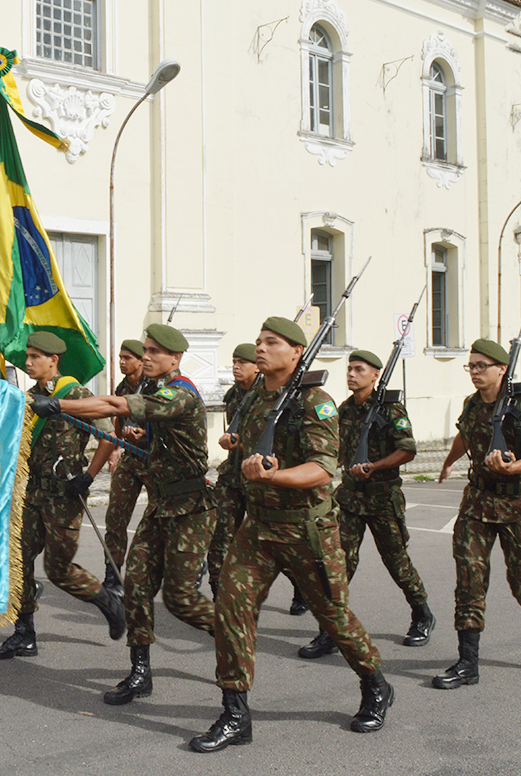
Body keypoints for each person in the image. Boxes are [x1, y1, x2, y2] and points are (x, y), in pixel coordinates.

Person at [190, 317, 392, 753]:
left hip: (307, 530)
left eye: (271, 342)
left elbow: (323, 469)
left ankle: (375, 683)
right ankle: (235, 713)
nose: (260, 348)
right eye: (259, 341)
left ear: (296, 352)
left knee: (333, 617)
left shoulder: (315, 401)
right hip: (259, 528)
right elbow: (248, 450)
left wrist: (273, 476)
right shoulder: (254, 399)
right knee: (231, 607)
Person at [39, 325, 215, 706]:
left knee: (182, 598)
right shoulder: (151, 391)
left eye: (155, 351)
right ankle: (140, 673)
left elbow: (115, 407)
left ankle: (233, 631)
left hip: (190, 509)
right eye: (146, 349)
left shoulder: (180, 393)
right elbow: (142, 424)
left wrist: (59, 405)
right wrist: (141, 439)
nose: (147, 356)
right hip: (160, 506)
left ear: (176, 358)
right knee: (135, 587)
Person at [0, 331, 125, 660]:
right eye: (28, 356)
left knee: (59, 569)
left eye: (34, 357)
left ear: (53, 360)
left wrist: (88, 476)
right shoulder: (31, 395)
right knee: (17, 561)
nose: (28, 363)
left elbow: (107, 437)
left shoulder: (74, 394)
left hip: (64, 496)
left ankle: (108, 601)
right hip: (34, 493)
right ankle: (24, 633)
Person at [433, 339, 521, 689]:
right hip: (477, 503)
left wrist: (513, 468)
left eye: (481, 366)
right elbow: (465, 434)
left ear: (502, 369)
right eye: (471, 366)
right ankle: (468, 663)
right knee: (469, 581)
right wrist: (448, 462)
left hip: (518, 506)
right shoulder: (473, 404)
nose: (475, 372)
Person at [299, 350, 432, 659]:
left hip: (383, 497)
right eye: (349, 369)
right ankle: (330, 631)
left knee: (396, 563)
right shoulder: (344, 410)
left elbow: (407, 450)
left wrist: (375, 466)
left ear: (375, 375)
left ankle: (422, 614)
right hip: (349, 498)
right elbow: (335, 449)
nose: (351, 374)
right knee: (339, 565)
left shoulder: (389, 409)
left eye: (359, 369)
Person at [210, 343, 308, 614]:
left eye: (243, 362)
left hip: (259, 478)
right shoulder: (233, 395)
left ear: (257, 368)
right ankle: (219, 596)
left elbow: (268, 442)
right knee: (220, 536)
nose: (236, 366)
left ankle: (300, 587)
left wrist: (240, 443)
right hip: (232, 475)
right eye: (233, 361)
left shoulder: (271, 397)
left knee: (271, 543)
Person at [101, 338, 153, 596]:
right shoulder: (123, 387)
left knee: (161, 520)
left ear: (141, 361)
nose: (121, 362)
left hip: (154, 461)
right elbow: (118, 424)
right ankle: (112, 575)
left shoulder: (156, 387)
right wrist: (116, 448)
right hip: (130, 459)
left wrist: (145, 434)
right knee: (115, 517)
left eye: (127, 358)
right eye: (120, 357)